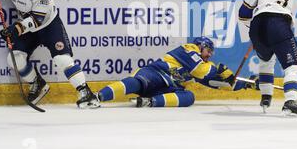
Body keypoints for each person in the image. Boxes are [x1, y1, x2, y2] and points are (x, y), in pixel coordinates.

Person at [0, 0, 100, 109]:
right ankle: (37, 84)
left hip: (48, 25)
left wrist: (16, 29)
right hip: (28, 27)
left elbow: (37, 20)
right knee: (14, 58)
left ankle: (86, 92)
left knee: (62, 59)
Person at [238, 0, 297, 116]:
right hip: (279, 24)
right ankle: (291, 100)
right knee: (293, 67)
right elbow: (288, 22)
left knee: (266, 61)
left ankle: (266, 97)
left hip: (257, 26)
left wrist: (253, 29)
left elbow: (243, 12)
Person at [96, 37, 253, 107]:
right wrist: (220, 70)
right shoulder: (189, 49)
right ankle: (99, 96)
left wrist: (247, 84)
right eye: (208, 50)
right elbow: (202, 71)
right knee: (137, 82)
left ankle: (150, 102)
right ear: (201, 46)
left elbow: (219, 84)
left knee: (189, 97)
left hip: (167, 88)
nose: (210, 54)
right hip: (156, 73)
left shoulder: (204, 65)